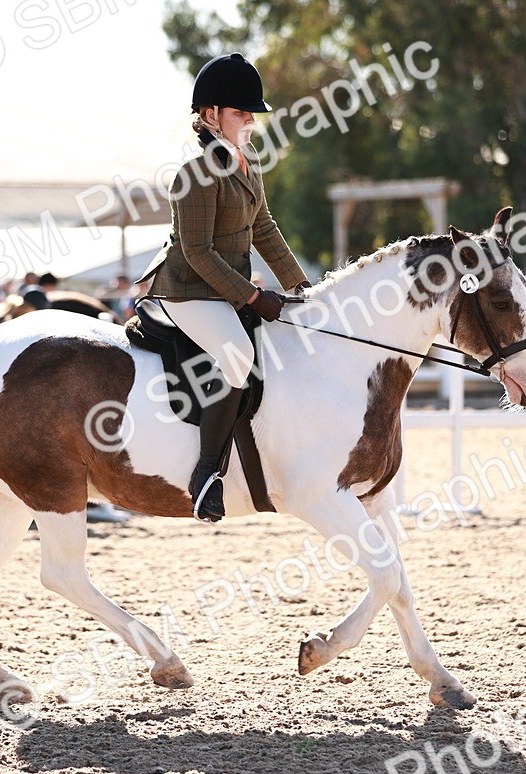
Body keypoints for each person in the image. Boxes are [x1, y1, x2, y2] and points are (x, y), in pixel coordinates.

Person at [138, 52, 311, 522]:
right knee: (237, 354)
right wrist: (253, 296)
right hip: (187, 290)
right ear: (210, 115)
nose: (251, 120)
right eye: (240, 112)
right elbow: (198, 252)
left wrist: (299, 285)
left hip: (224, 287)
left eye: (252, 112)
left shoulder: (248, 161)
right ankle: (207, 474)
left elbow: (264, 226)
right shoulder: (194, 175)